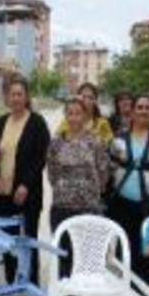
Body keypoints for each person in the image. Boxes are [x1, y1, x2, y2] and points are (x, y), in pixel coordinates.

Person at [0, 76, 50, 285]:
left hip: (26, 195)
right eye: (12, 94)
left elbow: (41, 158)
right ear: (7, 97)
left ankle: (30, 285)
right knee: (7, 244)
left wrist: (25, 185)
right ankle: (11, 285)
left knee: (27, 241)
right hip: (3, 194)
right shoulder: (1, 122)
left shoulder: (37, 122)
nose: (15, 98)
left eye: (19, 94)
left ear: (26, 96)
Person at [108, 94, 149, 286]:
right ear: (133, 111)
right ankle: (126, 291)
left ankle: (147, 293)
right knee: (125, 248)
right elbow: (111, 165)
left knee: (148, 249)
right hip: (123, 202)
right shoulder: (120, 137)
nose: (144, 111)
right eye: (140, 107)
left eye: (147, 107)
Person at [48, 96, 109, 282]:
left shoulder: (96, 142)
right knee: (63, 255)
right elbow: (51, 173)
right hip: (62, 207)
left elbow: (103, 173)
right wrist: (65, 188)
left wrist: (88, 190)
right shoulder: (56, 143)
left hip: (88, 207)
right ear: (65, 115)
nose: (74, 117)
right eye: (70, 113)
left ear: (85, 116)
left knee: (86, 257)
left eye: (78, 113)